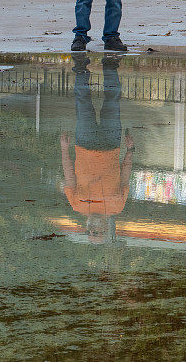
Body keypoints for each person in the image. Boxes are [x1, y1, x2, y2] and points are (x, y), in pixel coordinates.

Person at [60, 54, 134, 244]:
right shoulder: (118, 206)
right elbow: (125, 176)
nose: (95, 229)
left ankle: (81, 66)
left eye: (91, 232)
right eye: (99, 232)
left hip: (84, 143)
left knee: (82, 101)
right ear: (107, 229)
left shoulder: (77, 205)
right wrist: (130, 150)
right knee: (112, 100)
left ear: (86, 228)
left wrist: (64, 149)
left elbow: (69, 175)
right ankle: (110, 63)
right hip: (111, 143)